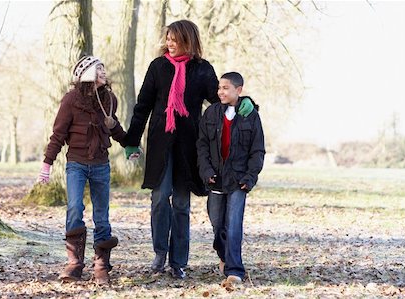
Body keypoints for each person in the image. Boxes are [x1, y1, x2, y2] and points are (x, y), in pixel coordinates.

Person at [123, 20, 254, 279]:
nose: (169, 43)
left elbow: (220, 98)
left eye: (175, 39)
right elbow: (143, 105)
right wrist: (131, 141)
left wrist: (246, 102)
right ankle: (160, 253)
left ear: (188, 40)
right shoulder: (158, 67)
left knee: (182, 203)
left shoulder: (202, 70)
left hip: (188, 144)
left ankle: (178, 261)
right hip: (161, 142)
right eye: (168, 38)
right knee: (160, 198)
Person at [37, 56, 126, 284]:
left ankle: (101, 267)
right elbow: (58, 135)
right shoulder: (71, 100)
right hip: (76, 163)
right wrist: (46, 166)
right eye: (99, 69)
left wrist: (130, 144)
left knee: (102, 216)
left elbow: (113, 126)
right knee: (75, 208)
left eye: (104, 69)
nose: (104, 73)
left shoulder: (109, 99)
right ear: (86, 74)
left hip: (101, 165)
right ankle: (74, 264)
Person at [197, 72, 265, 286]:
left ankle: (235, 270)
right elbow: (202, 145)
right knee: (218, 226)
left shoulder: (250, 115)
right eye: (219, 88)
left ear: (239, 90)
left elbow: (258, 150)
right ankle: (225, 256)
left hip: (238, 180)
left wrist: (250, 177)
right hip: (215, 179)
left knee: (234, 225)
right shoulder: (211, 113)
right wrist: (206, 171)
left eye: (226, 88)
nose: (220, 92)